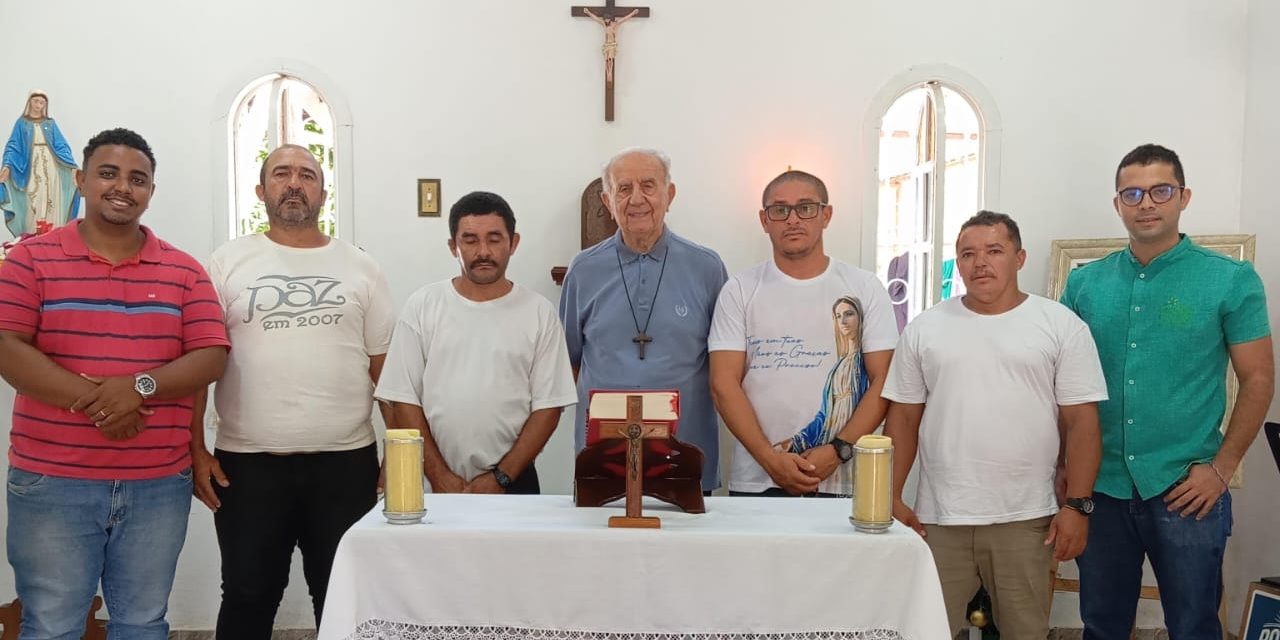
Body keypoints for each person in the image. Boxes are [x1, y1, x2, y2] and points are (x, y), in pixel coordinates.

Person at [0, 127, 229, 638]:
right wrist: (104, 402)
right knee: (52, 624)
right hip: (52, 481)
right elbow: (9, 349)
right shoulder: (30, 260)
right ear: (80, 180)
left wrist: (140, 387)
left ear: (151, 190)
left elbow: (211, 355)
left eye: (138, 178)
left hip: (157, 483)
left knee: (144, 622)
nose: (123, 186)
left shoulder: (185, 271)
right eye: (108, 173)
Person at [1061, 144, 1274, 639]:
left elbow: (1259, 379)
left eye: (1161, 190)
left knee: (1195, 625)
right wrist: (1063, 467)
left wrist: (1221, 469)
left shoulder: (1229, 279)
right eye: (1132, 193)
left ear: (1184, 197)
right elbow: (1063, 385)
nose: (1147, 203)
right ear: (1118, 204)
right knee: (1101, 623)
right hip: (1102, 485)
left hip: (1186, 489)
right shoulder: (1085, 285)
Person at [192, 144, 395, 638]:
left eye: (307, 175)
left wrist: (398, 453)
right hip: (248, 464)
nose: (294, 183)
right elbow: (201, 359)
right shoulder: (226, 263)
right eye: (281, 173)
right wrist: (195, 448)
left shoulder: (360, 266)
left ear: (322, 193)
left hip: (346, 464)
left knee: (344, 596)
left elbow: (386, 370)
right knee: (246, 593)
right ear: (261, 190)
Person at [882, 210, 1107, 639]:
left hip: (1025, 519)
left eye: (994, 251)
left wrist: (1078, 506)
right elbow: (904, 418)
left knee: (1025, 632)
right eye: (968, 253)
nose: (980, 263)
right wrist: (891, 494)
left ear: (1019, 258)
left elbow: (1082, 423)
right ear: (958, 263)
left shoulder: (1059, 325)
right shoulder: (925, 328)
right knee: (923, 631)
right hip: (940, 518)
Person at [709, 170, 897, 496]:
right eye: (779, 210)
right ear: (764, 220)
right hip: (758, 478)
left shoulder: (864, 288)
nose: (793, 219)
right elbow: (723, 383)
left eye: (806, 207)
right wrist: (770, 459)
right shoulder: (740, 289)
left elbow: (883, 380)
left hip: (842, 477)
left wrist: (839, 449)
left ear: (826, 215)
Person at [377, 191, 576, 494]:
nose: (483, 251)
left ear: (514, 242)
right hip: (432, 485)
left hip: (514, 483)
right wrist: (440, 476)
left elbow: (549, 407)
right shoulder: (423, 306)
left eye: (494, 239)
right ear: (452, 246)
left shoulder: (539, 313)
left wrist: (502, 477)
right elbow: (403, 399)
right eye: (470, 240)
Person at [560, 148, 727, 492]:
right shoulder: (583, 270)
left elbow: (724, 366)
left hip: (686, 450)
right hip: (602, 454)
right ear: (607, 201)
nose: (637, 198)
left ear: (670, 194)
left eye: (648, 185)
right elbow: (569, 362)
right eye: (623, 188)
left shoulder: (707, 268)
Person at [1, 91, 80, 238]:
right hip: (30, 165)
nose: (38, 105)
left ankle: (51, 234)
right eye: (36, 101)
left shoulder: (50, 123)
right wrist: (7, 165)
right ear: (29, 102)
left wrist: (72, 166)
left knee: (50, 196)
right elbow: (13, 145)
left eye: (41, 102)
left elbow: (61, 145)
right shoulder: (22, 123)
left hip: (51, 165)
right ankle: (32, 234)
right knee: (34, 196)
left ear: (45, 105)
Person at [582, 7, 640, 83]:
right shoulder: (604, 24)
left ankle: (610, 73)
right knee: (606, 60)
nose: (606, 20)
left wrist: (633, 13)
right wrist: (588, 12)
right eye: (605, 19)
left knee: (610, 59)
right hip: (606, 45)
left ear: (610, 18)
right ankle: (608, 73)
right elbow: (596, 19)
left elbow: (625, 19)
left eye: (607, 19)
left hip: (612, 44)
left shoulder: (615, 24)